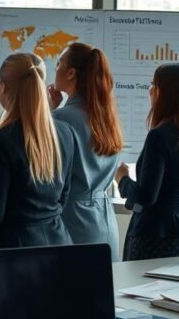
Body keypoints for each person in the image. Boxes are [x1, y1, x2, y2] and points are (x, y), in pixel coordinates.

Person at [114, 64, 179, 260]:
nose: (150, 90)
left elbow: (146, 196)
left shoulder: (159, 136)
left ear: (165, 94)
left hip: (158, 236)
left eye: (154, 84)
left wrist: (122, 179)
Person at [0, 53, 74, 250]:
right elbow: (62, 198)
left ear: (3, 87)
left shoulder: (0, 140)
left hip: (14, 254)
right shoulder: (65, 132)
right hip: (59, 246)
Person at [48, 43, 125, 260]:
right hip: (105, 221)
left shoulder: (62, 119)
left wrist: (49, 111)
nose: (55, 67)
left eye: (59, 63)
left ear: (71, 73)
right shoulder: (107, 118)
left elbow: (50, 177)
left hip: (73, 221)